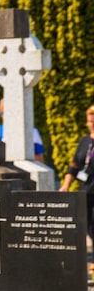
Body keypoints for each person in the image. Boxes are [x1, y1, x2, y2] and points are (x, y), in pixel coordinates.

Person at [58, 105, 94, 245]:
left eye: (93, 121)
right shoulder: (84, 141)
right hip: (85, 190)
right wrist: (66, 185)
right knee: (88, 225)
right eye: (89, 121)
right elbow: (74, 165)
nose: (91, 125)